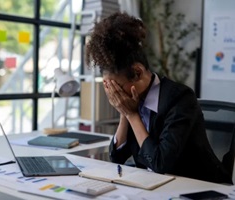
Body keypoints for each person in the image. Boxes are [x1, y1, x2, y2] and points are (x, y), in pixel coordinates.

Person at [85, 12, 232, 184]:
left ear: (138, 72)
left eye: (118, 87)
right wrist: (124, 113)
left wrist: (133, 115)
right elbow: (116, 157)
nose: (115, 93)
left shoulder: (181, 99)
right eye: (110, 87)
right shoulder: (133, 99)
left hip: (200, 186)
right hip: (155, 186)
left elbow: (161, 164)